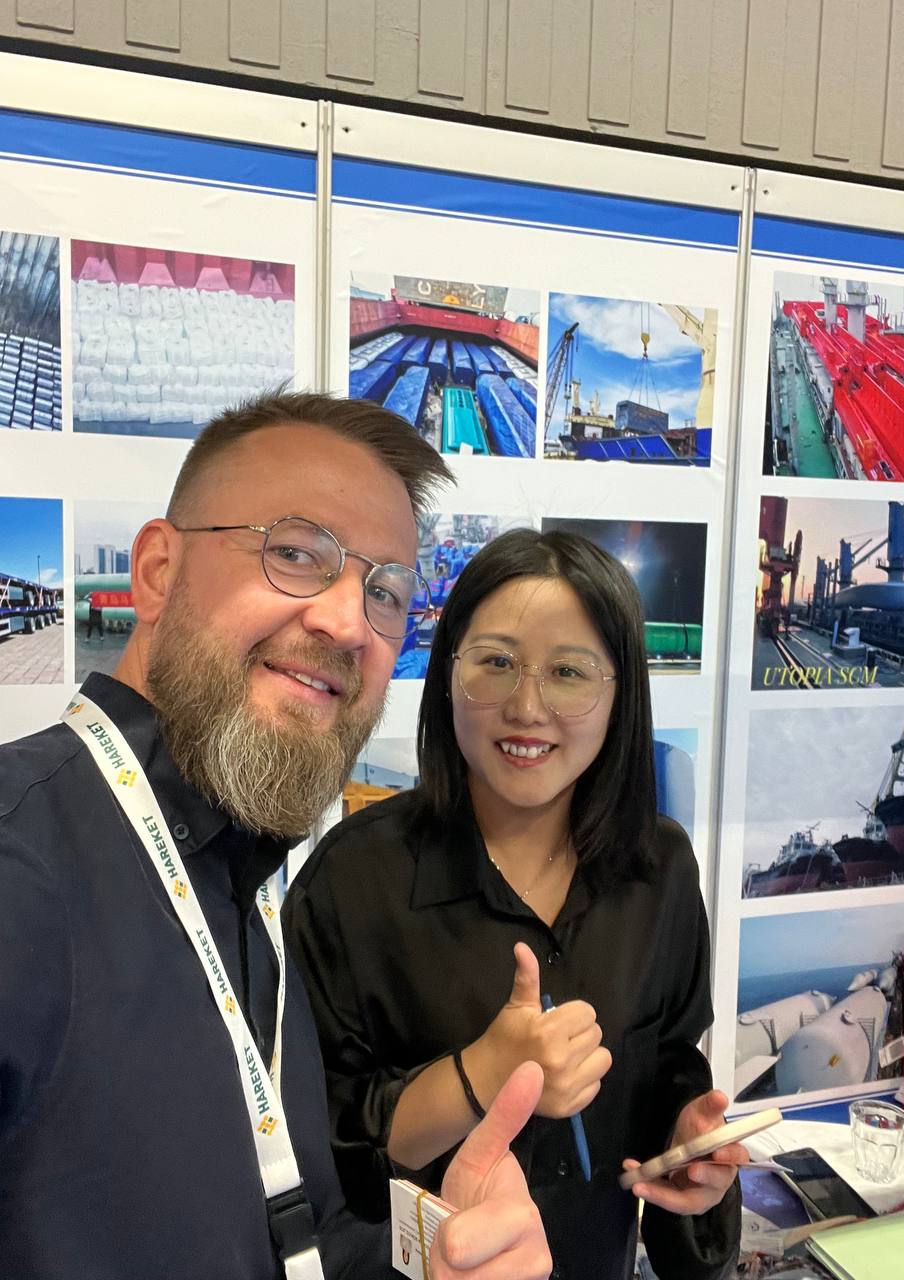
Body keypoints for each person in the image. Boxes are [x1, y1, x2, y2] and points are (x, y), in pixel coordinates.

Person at [0, 392, 552, 1280]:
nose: (347, 622)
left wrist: (436, 1265)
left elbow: (288, 1234)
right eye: (295, 553)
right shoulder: (19, 868)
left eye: (384, 592)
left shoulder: (243, 880)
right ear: (157, 573)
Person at [286, 528, 745, 1280]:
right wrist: (481, 1074)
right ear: (446, 675)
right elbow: (320, 1145)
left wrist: (686, 1146)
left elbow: (668, 1060)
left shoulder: (658, 866)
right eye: (496, 662)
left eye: (568, 672)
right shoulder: (353, 880)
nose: (526, 707)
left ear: (620, 695)